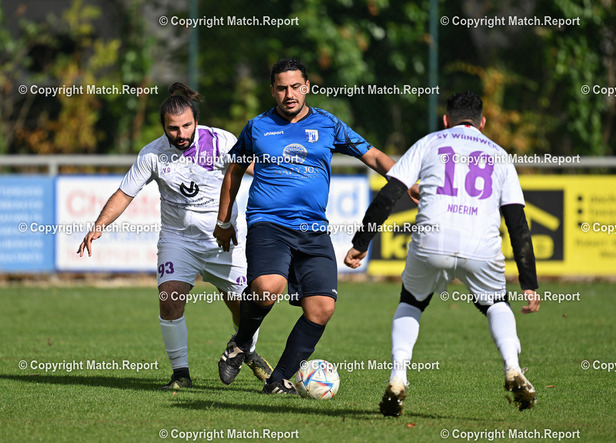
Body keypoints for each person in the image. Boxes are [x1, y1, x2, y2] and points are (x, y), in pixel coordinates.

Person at [344, 91, 540, 416]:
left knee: (411, 302)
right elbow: (518, 223)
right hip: (481, 247)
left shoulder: (429, 142)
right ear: (482, 122)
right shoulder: (500, 155)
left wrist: (361, 242)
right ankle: (513, 367)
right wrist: (529, 283)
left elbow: (388, 195)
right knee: (496, 303)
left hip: (430, 242)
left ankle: (398, 376)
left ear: (446, 120)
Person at [214, 58, 398, 394]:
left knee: (322, 308)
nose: (289, 94)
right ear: (272, 90)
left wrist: (403, 179)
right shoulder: (257, 127)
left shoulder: (328, 124)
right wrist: (223, 221)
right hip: (268, 222)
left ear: (307, 87)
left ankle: (278, 379)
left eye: (296, 87)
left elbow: (371, 155)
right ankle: (240, 343)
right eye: (281, 88)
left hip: (313, 229)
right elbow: (234, 171)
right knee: (268, 287)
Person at [77, 82, 272, 390]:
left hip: (224, 239)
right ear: (163, 127)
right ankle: (181, 374)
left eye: (186, 126)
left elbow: (255, 170)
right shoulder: (152, 154)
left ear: (196, 121)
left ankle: (245, 349)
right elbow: (125, 193)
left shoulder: (222, 142)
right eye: (173, 128)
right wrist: (98, 225)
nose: (181, 134)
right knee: (169, 299)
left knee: (243, 306)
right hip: (178, 240)